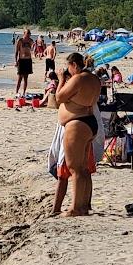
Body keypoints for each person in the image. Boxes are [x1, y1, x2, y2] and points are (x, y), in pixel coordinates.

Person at [54, 53, 101, 216]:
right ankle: (83, 206)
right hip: (90, 123)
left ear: (74, 65)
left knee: (75, 168)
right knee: (84, 169)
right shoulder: (94, 79)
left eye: (68, 67)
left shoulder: (78, 79)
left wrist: (61, 80)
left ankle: (75, 207)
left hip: (77, 124)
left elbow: (59, 97)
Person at [14, 29, 35, 98]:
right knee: (20, 78)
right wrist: (16, 61)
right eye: (27, 33)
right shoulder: (20, 40)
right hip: (21, 60)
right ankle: (16, 92)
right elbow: (16, 51)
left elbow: (33, 49)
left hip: (28, 60)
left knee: (26, 78)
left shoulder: (31, 41)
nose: (29, 35)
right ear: (24, 33)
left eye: (29, 33)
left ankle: (23, 93)